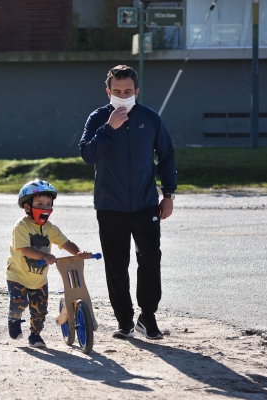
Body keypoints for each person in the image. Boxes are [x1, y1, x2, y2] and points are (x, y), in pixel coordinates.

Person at [79, 65, 177, 340]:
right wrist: (110, 128)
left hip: (146, 205)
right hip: (110, 206)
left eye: (128, 91)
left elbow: (167, 156)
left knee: (150, 260)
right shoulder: (98, 118)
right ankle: (124, 321)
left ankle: (148, 317)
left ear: (137, 91)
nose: (123, 95)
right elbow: (88, 154)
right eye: (118, 91)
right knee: (116, 265)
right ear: (108, 91)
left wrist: (168, 195)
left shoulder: (150, 118)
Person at [6, 179, 92, 348]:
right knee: (19, 303)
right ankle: (14, 319)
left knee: (40, 311)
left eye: (48, 204)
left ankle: (35, 335)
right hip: (18, 275)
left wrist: (78, 253)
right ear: (27, 207)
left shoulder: (50, 228)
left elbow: (65, 242)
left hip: (39, 280)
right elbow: (25, 249)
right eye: (40, 204)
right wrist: (44, 257)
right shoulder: (21, 226)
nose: (45, 208)